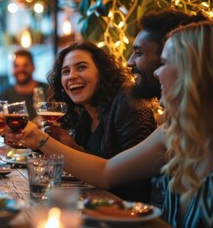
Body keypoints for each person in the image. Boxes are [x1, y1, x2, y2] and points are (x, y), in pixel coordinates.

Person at [6, 21, 213, 227]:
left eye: (164, 62)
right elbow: (106, 172)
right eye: (65, 71)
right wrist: (37, 138)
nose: (156, 72)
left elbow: (120, 182)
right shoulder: (173, 130)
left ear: (195, 70)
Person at [43, 41, 157, 202]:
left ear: (102, 72)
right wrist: (72, 148)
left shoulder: (128, 101)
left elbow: (136, 181)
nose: (72, 76)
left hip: (130, 214)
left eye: (81, 67)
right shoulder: (84, 114)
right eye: (65, 71)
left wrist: (41, 141)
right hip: (96, 204)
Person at [127, 8, 209, 206]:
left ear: (186, 61)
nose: (129, 62)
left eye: (138, 53)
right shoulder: (172, 125)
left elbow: (106, 173)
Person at [0, 49, 48, 121]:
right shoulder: (5, 95)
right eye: (16, 66)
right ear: (12, 69)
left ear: (33, 67)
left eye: (25, 65)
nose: (21, 69)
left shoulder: (48, 90)